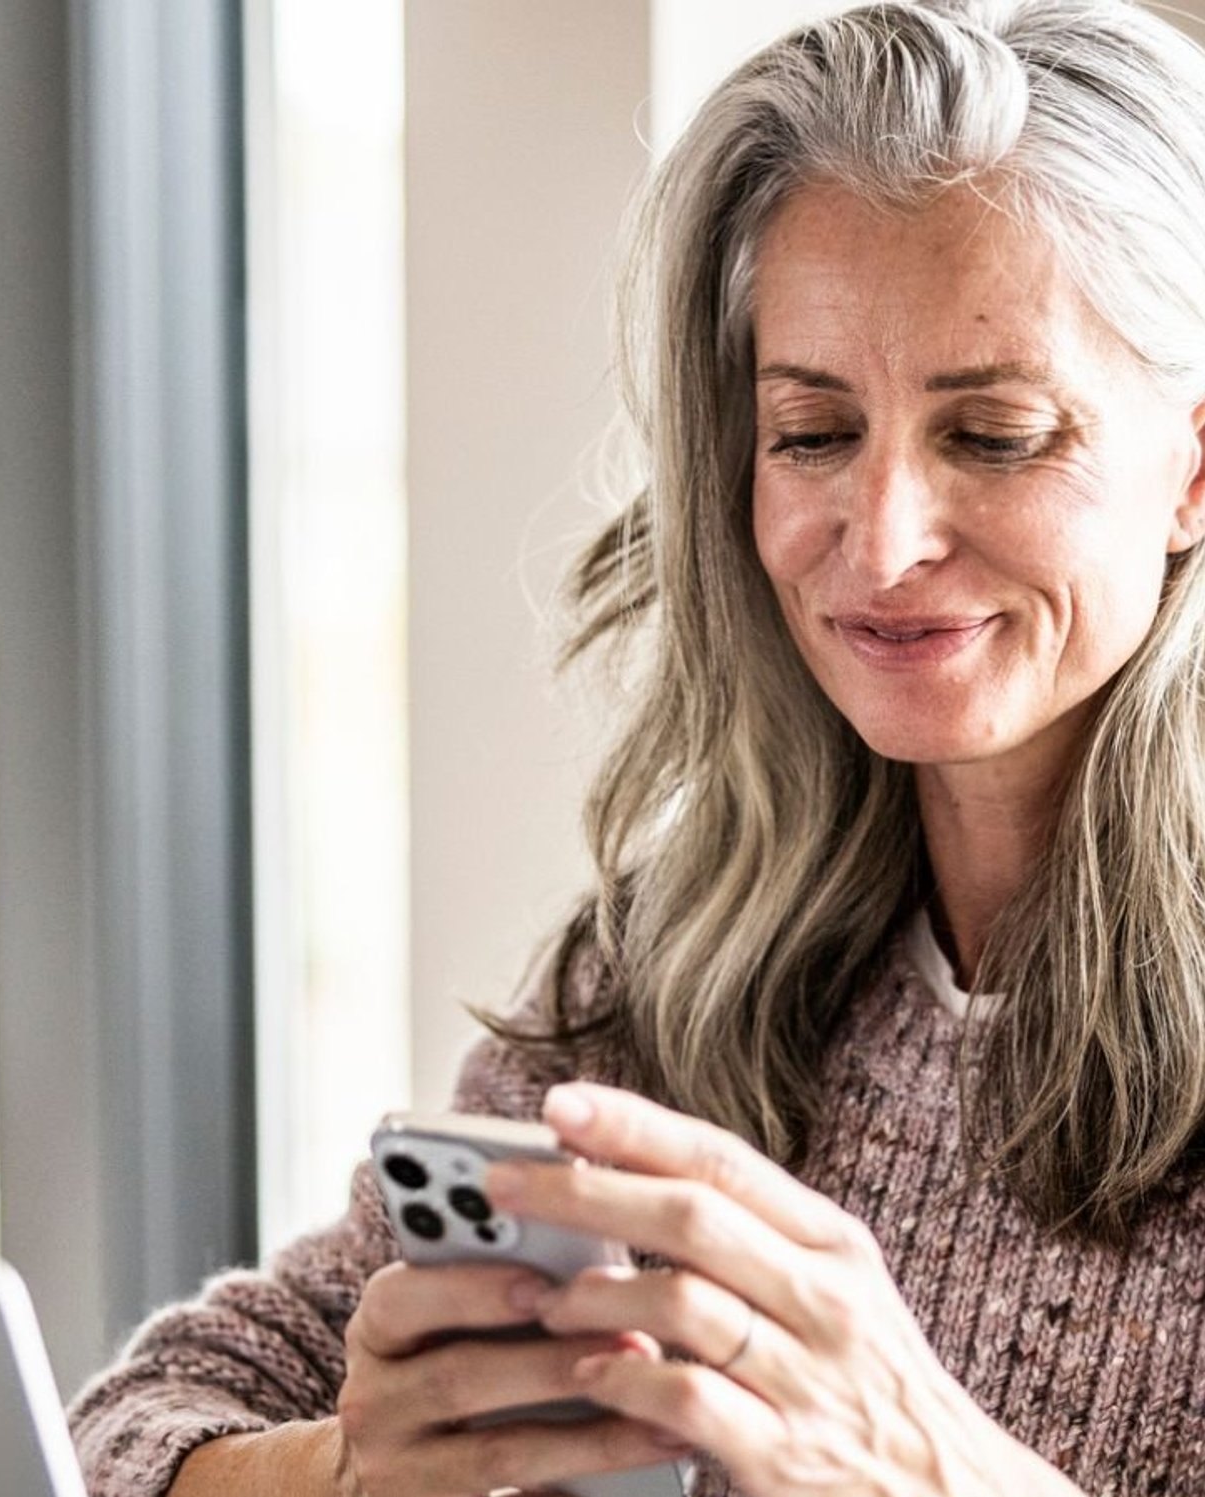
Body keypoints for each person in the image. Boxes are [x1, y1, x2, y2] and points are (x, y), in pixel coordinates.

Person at [70, 1, 1205, 1492]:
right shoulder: (674, 975)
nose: (881, 539)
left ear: (1192, 469)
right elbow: (131, 1424)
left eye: (992, 434)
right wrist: (346, 1474)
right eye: (809, 433)